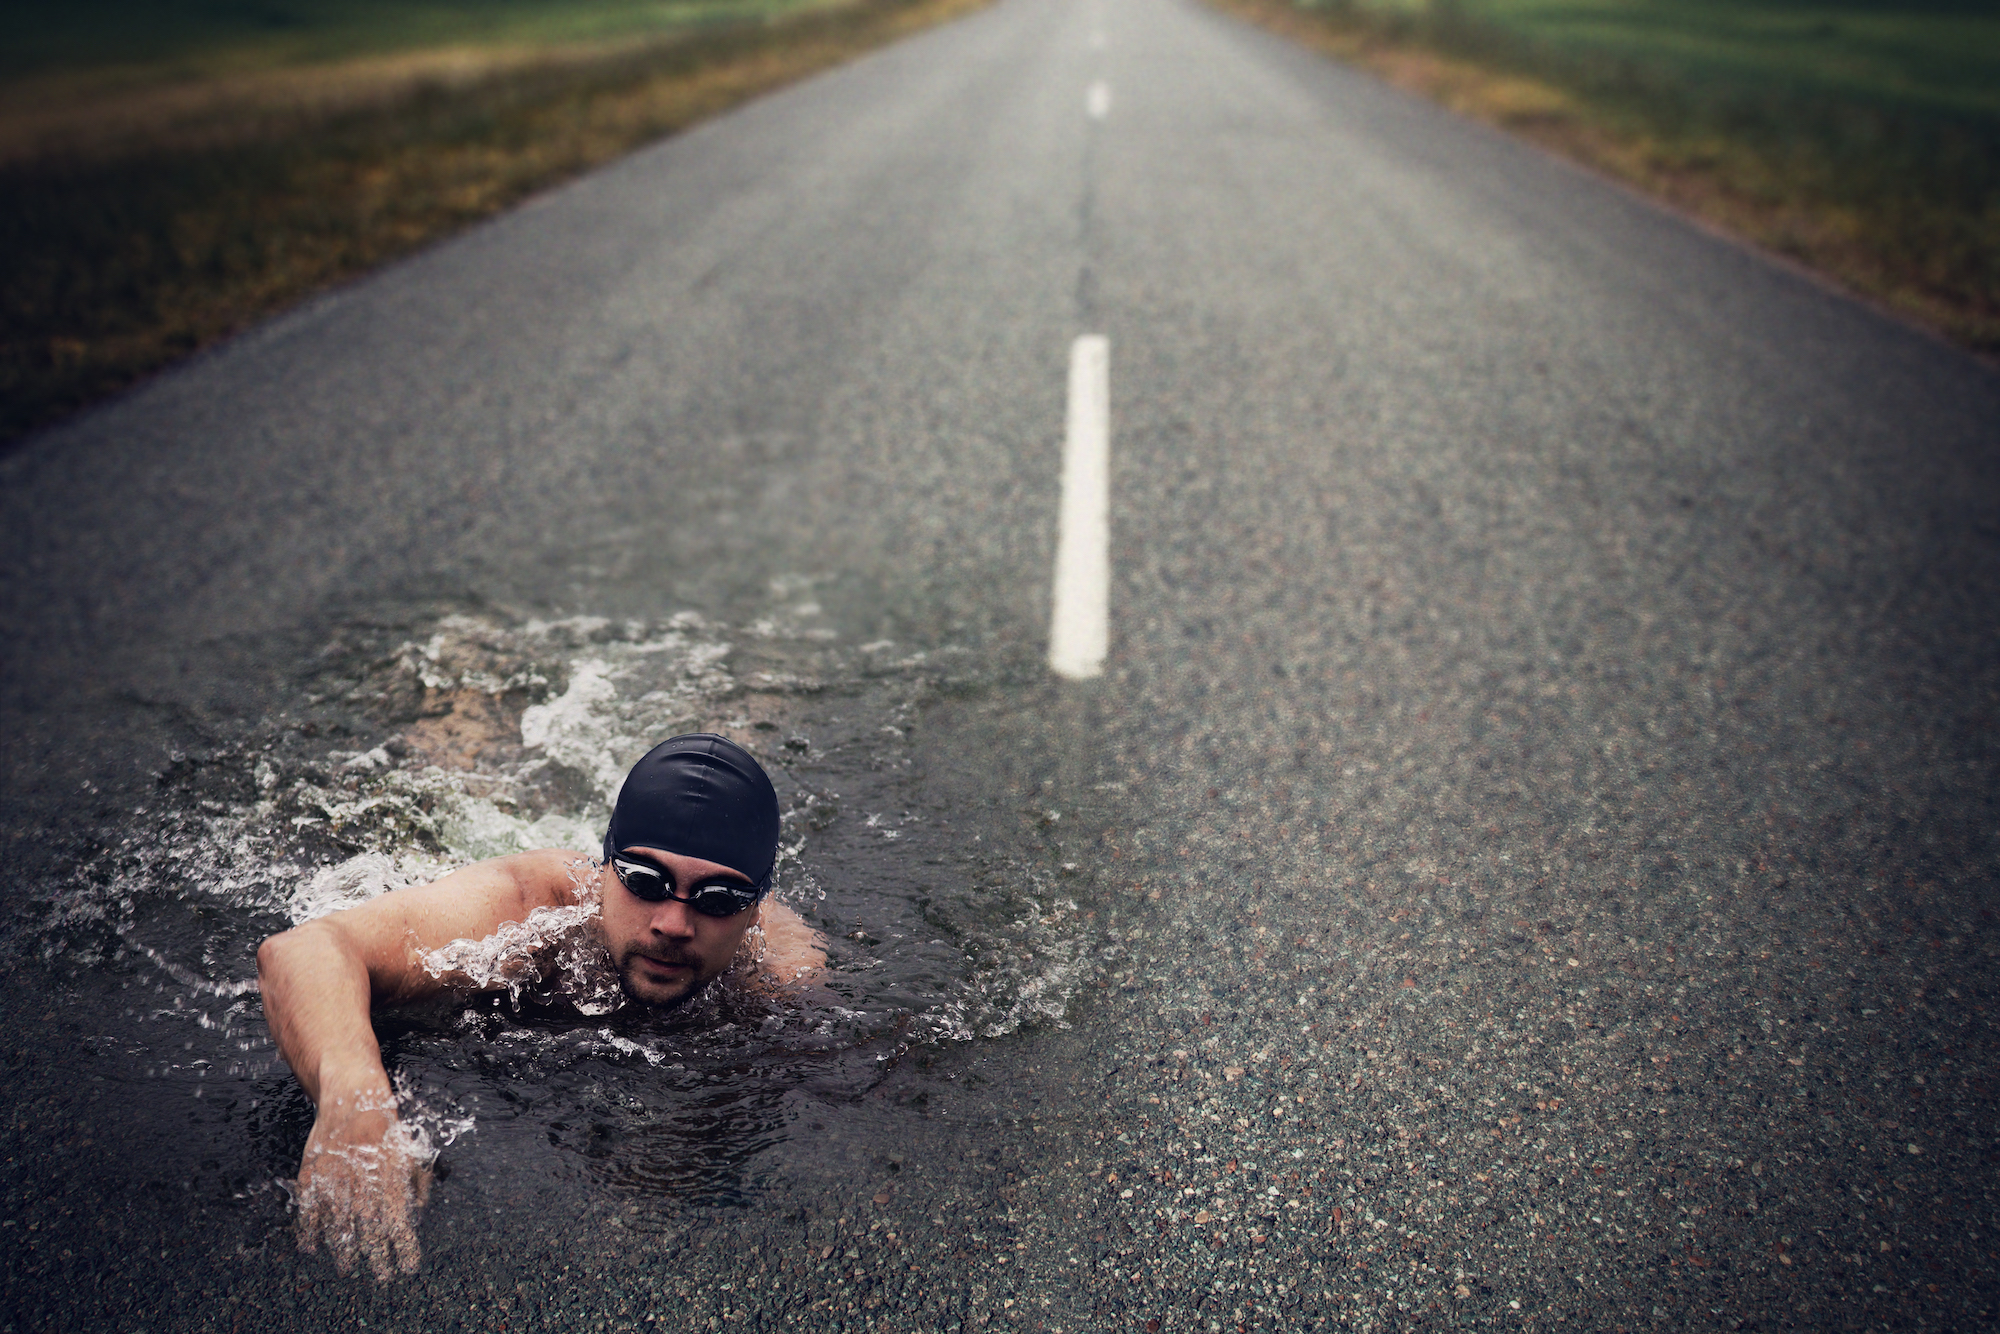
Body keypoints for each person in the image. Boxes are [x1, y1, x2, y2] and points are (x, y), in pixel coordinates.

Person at [256, 733, 825, 1281]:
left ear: (756, 907)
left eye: (718, 898)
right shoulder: (532, 909)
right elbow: (303, 950)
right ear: (606, 868)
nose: (673, 923)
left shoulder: (783, 975)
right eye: (645, 880)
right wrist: (352, 1096)